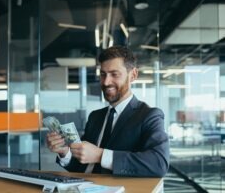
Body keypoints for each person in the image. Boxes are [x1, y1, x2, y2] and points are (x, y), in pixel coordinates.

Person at [46, 46, 169, 177]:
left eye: (114, 74)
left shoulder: (149, 116)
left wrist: (100, 155)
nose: (106, 82)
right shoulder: (95, 117)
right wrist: (65, 152)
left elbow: (159, 163)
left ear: (133, 75)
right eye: (103, 74)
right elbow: (84, 166)